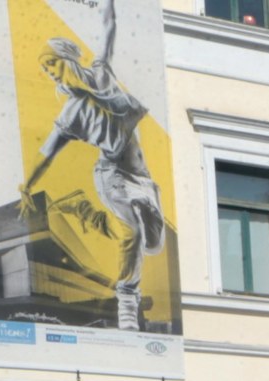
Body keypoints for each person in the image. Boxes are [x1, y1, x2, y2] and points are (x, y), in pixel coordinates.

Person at [21, 0, 168, 331]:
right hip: (111, 175)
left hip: (141, 176)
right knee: (128, 232)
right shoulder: (71, 114)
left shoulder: (102, 75)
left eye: (52, 65)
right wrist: (28, 185)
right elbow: (46, 154)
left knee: (154, 244)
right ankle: (127, 301)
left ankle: (142, 207)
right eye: (45, 69)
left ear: (67, 59)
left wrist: (108, 3)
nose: (48, 73)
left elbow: (109, 28)